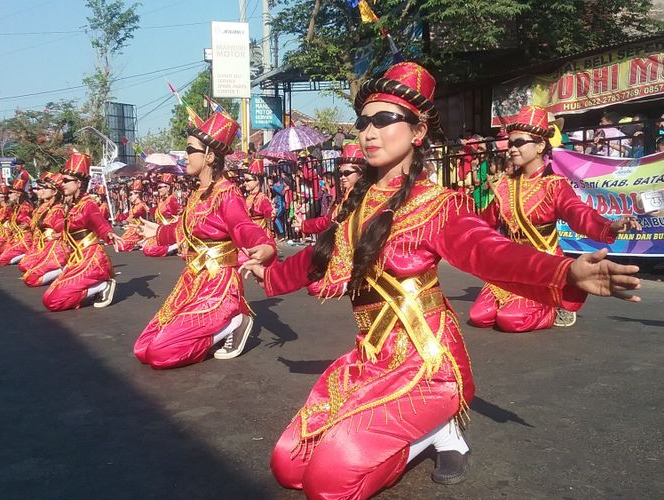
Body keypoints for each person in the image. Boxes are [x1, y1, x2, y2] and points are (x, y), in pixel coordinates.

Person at [239, 61, 641, 499]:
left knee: (327, 483)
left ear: (418, 131)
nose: (368, 132)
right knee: (288, 464)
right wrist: (267, 269)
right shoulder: (355, 206)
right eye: (363, 122)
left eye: (383, 120)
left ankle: (433, 431)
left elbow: (492, 252)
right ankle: (422, 432)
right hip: (371, 360)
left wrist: (567, 271)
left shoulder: (438, 206)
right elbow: (315, 263)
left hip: (424, 365)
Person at [469, 105, 642, 332]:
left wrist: (610, 225)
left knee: (510, 320)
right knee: (479, 316)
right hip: (510, 264)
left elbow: (577, 212)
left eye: (519, 143)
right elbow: (484, 223)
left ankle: (554, 304)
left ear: (540, 145)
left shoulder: (554, 185)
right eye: (510, 143)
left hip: (543, 264)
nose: (511, 149)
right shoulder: (503, 184)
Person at [133, 111, 275, 368]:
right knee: (143, 348)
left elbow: (243, 226)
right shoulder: (198, 193)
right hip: (193, 279)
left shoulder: (227, 193)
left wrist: (265, 245)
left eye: (190, 150)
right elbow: (185, 227)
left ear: (209, 156)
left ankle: (233, 322)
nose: (185, 156)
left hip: (218, 282)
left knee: (160, 353)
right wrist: (158, 233)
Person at [42, 152, 124, 311]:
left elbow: (99, 222)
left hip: (90, 258)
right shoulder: (71, 205)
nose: (62, 184)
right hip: (76, 258)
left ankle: (101, 285)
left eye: (66, 181)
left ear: (78, 183)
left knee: (52, 301)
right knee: (48, 297)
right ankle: (93, 288)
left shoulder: (88, 204)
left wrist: (109, 234)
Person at [297, 142, 365, 235]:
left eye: (347, 173)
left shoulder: (368, 195)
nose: (342, 177)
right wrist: (304, 224)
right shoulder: (347, 194)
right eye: (340, 174)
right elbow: (328, 221)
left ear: (360, 173)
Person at [20, 172, 70, 287]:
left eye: (43, 188)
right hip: (43, 245)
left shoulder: (58, 210)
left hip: (55, 249)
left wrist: (52, 235)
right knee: (25, 267)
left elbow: (65, 231)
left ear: (55, 191)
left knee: (30, 278)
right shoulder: (45, 207)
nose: (39, 191)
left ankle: (65, 269)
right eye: (37, 188)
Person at [0, 176, 34, 265]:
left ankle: (25, 254)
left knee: (3, 259)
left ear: (18, 194)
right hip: (16, 236)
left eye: (11, 193)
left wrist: (23, 226)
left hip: (24, 237)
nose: (9, 195)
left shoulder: (25, 207)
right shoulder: (16, 206)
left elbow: (27, 222)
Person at [141, 174, 182, 257]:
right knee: (146, 248)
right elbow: (158, 212)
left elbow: (180, 212)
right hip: (161, 230)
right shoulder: (162, 200)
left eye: (161, 187)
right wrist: (149, 209)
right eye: (158, 187)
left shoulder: (171, 199)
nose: (159, 190)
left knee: (150, 250)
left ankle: (173, 246)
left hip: (168, 230)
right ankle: (170, 248)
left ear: (168, 188)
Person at [242, 158, 274, 241]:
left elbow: (269, 215)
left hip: (260, 235)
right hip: (249, 234)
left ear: (257, 181)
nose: (245, 183)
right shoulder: (248, 197)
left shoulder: (262, 198)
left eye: (248, 180)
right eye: (244, 180)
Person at [118, 179, 148, 252]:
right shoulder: (134, 206)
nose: (129, 197)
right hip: (131, 229)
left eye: (131, 195)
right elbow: (128, 216)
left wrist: (126, 218)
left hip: (138, 229)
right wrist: (120, 217)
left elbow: (131, 217)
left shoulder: (141, 205)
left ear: (137, 195)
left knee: (122, 246)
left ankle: (140, 241)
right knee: (119, 243)